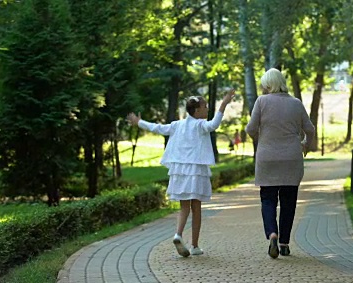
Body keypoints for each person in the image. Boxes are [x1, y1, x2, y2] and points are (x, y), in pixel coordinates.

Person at [127, 89, 235, 257]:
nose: (207, 109)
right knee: (196, 208)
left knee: (184, 207)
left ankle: (178, 234)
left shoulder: (177, 125)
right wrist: (224, 103)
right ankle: (195, 246)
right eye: (205, 106)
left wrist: (139, 122)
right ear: (197, 110)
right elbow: (214, 124)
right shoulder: (200, 125)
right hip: (196, 170)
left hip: (180, 171)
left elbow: (158, 128)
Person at [246, 68, 315, 259]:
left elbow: (251, 129)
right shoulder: (296, 103)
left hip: (267, 157)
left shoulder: (261, 102)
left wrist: (261, 136)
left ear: (268, 84)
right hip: (291, 158)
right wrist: (305, 146)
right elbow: (310, 129)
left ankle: (272, 234)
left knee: (268, 199)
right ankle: (284, 243)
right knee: (288, 202)